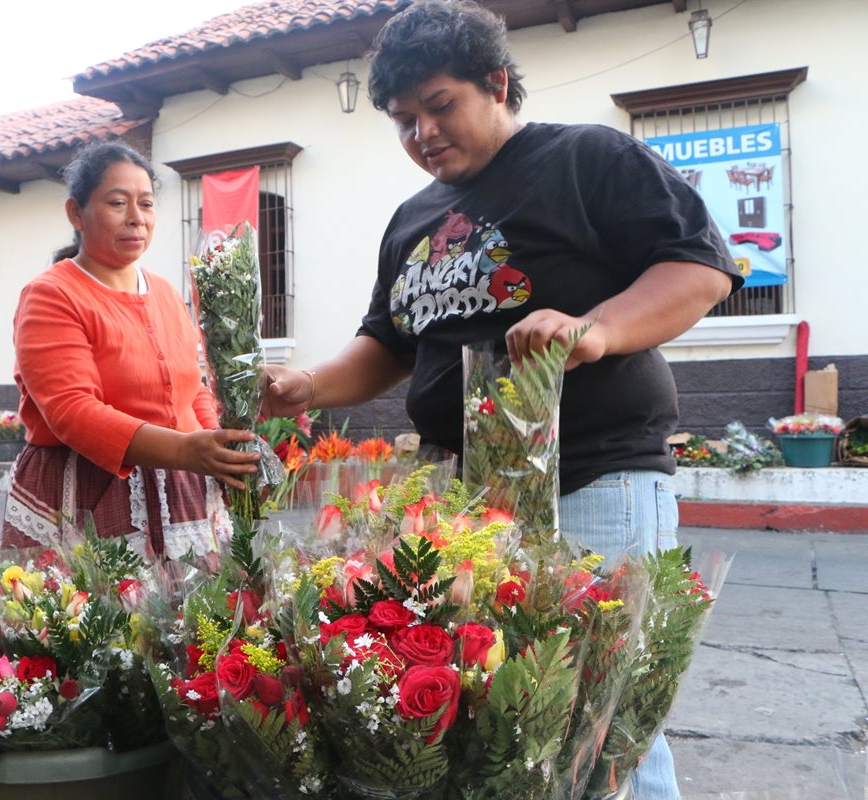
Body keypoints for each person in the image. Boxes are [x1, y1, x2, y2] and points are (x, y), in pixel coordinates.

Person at [262, 2, 742, 797]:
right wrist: (308, 385)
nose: (423, 134)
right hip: (463, 502)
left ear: (495, 83)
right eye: (404, 120)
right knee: (505, 706)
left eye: (439, 107)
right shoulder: (412, 220)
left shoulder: (587, 159)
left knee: (608, 713)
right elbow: (389, 343)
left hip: (593, 478)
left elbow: (698, 270)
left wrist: (592, 328)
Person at [3, 141, 259, 559]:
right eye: (118, 203)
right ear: (75, 213)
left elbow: (191, 387)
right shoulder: (52, 294)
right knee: (97, 616)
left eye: (147, 204)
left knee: (195, 617)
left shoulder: (165, 292)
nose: (137, 219)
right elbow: (71, 410)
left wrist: (220, 447)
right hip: (89, 489)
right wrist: (184, 450)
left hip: (184, 484)